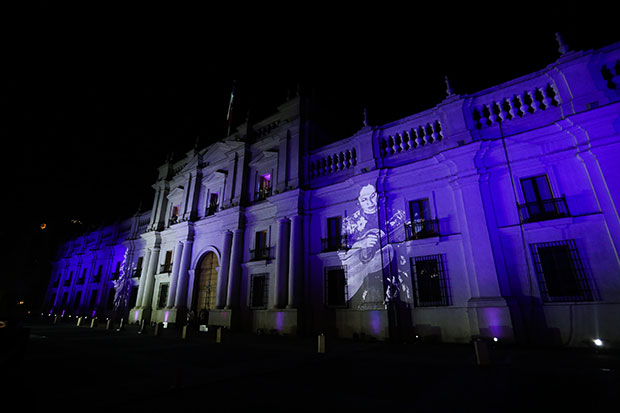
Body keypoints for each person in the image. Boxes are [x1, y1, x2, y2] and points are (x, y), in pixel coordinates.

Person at [339, 184, 405, 309]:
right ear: (358, 202)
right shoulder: (350, 222)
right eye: (364, 199)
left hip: (390, 272)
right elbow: (342, 251)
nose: (369, 202)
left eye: (373, 196)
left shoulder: (395, 216)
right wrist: (361, 244)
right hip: (362, 275)